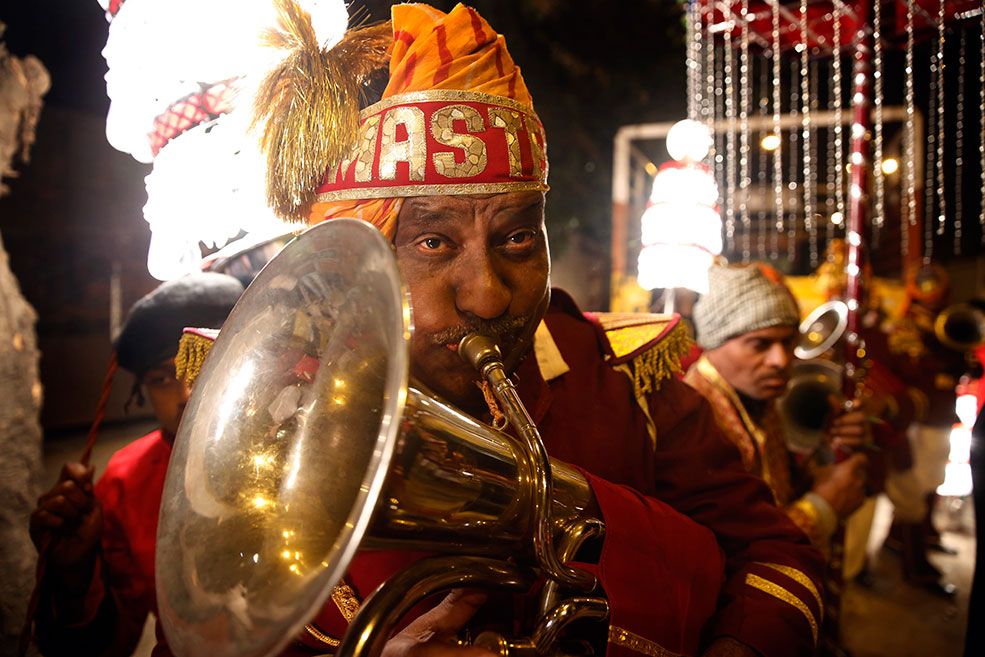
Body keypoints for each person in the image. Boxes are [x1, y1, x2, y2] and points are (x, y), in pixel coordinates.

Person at [231, 5, 826, 657]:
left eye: (517, 237)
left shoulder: (627, 378)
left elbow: (774, 555)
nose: (488, 295)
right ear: (355, 265)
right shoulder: (266, 416)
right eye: (433, 242)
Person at [29, 272, 244, 657]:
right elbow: (107, 647)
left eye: (201, 363)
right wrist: (74, 578)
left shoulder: (311, 441)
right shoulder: (126, 479)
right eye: (162, 378)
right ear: (141, 391)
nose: (185, 393)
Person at [684, 264, 870, 550]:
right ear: (714, 342)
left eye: (788, 342)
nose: (781, 361)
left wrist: (826, 451)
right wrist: (822, 508)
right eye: (760, 344)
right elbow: (731, 550)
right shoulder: (692, 420)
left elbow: (777, 494)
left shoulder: (760, 402)